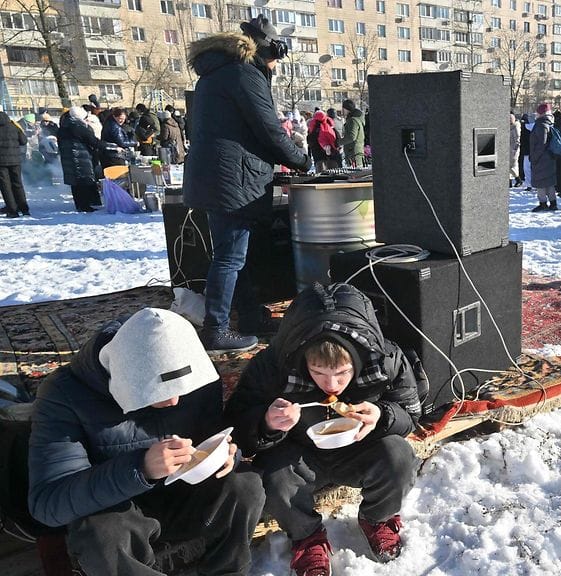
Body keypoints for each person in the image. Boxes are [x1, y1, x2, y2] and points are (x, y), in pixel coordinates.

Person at [28, 308, 264, 575]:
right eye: (160, 391)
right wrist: (140, 468)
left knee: (245, 484)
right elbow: (48, 503)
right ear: (125, 381)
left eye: (182, 389)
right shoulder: (64, 394)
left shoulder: (193, 372)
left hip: (183, 496)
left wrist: (225, 454)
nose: (174, 400)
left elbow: (211, 434)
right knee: (102, 536)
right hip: (121, 510)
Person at [225, 283, 422, 569]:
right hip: (297, 452)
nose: (331, 385)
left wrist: (382, 415)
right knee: (274, 477)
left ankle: (377, 518)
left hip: (360, 447)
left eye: (342, 373)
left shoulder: (385, 360)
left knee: (399, 455)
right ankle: (306, 536)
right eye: (318, 372)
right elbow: (235, 425)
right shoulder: (274, 365)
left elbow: (411, 413)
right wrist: (266, 422)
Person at [184, 15, 311, 353]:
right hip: (232, 180)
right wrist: (301, 160)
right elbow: (269, 129)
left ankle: (250, 316)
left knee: (232, 255)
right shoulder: (244, 74)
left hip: (218, 177)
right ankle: (216, 330)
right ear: (269, 50)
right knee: (230, 258)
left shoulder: (218, 72)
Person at [58, 106, 106, 213]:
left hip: (68, 158)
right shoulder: (78, 127)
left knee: (75, 183)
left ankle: (79, 204)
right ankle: (85, 205)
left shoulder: (63, 127)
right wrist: (110, 146)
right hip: (80, 157)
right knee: (84, 181)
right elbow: (93, 141)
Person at [0, 109, 29, 218]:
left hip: (1, 162)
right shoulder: (14, 126)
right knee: (18, 184)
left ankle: (12, 210)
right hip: (16, 160)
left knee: (5, 186)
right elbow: (23, 141)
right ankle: (24, 209)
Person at [529, 103, 558, 211]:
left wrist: (534, 157)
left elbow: (542, 143)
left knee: (540, 182)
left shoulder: (541, 125)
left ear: (541, 113)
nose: (536, 114)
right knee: (549, 182)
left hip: (541, 158)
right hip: (548, 157)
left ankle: (543, 203)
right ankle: (553, 203)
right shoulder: (549, 123)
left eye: (537, 112)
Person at [338, 99, 366, 167]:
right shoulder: (355, 119)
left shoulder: (353, 120)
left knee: (355, 173)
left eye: (343, 108)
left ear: (347, 109)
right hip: (354, 154)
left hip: (354, 154)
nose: (342, 111)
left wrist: (338, 142)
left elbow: (352, 137)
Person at [509, 112, 520, 188]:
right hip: (509, 149)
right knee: (508, 166)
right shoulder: (510, 127)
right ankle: (509, 182)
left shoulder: (515, 126)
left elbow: (517, 139)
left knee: (510, 167)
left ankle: (518, 179)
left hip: (513, 150)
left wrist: (514, 149)